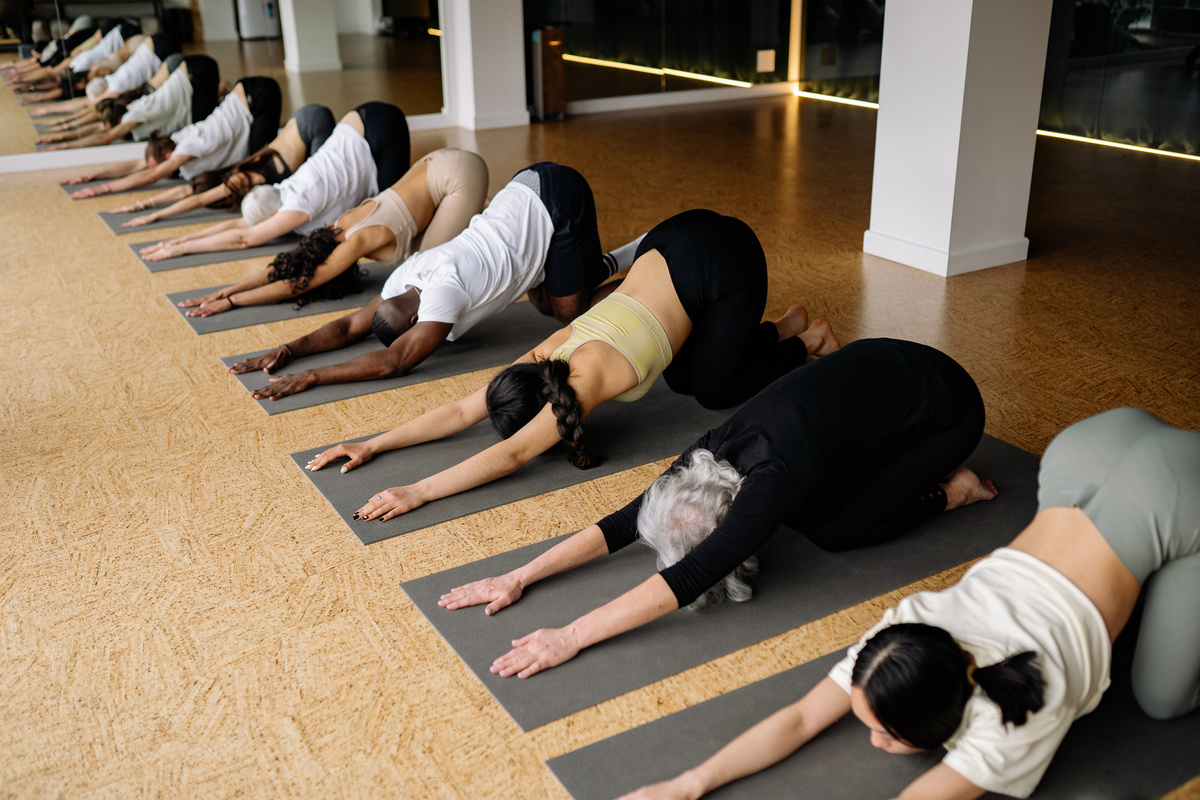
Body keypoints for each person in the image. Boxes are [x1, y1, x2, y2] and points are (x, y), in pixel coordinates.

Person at [616, 406, 1200, 800]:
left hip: (1174, 488)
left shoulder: (1012, 720)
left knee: (1162, 700)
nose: (874, 741)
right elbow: (800, 718)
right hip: (1083, 455)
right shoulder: (909, 629)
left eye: (890, 735)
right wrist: (686, 785)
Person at [438, 338, 997, 677]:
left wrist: (571, 635)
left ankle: (956, 491)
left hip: (951, 411)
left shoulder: (773, 486)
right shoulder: (708, 451)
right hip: (884, 358)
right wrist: (518, 576)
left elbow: (687, 579)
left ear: (734, 523)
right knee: (815, 499)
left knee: (835, 528)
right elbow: (622, 523)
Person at [304, 208, 840, 523]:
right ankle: (783, 327)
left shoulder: (587, 379)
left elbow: (513, 453)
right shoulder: (550, 351)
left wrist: (417, 491)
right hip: (674, 235)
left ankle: (809, 339)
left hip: (730, 257)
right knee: (681, 375)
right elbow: (462, 411)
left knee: (713, 391)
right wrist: (374, 444)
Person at [225, 162, 642, 400]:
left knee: (570, 312)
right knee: (544, 302)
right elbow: (350, 326)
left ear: (415, 321)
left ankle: (645, 261)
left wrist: (313, 376)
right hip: (523, 187)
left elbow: (395, 361)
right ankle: (597, 263)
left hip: (556, 196)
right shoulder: (405, 277)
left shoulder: (443, 296)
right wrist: (290, 350)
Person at [174, 147, 489, 319]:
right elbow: (288, 264)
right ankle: (477, 205)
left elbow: (298, 283)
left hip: (461, 175)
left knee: (425, 268)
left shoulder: (355, 241)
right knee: (414, 251)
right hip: (438, 159)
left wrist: (233, 302)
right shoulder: (336, 225)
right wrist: (226, 290)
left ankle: (487, 207)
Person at [137, 102, 409, 262]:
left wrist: (183, 249)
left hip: (380, 129)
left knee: (394, 211)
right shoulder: (279, 190)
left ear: (273, 216)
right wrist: (178, 240)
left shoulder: (297, 206)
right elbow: (238, 224)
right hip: (357, 120)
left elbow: (244, 238)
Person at [96, 104, 336, 225]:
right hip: (302, 121)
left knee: (324, 189)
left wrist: (154, 214)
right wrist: (145, 205)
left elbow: (198, 200)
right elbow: (185, 192)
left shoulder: (239, 179)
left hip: (311, 122)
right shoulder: (232, 172)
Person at [56, 76, 281, 198]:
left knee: (261, 161)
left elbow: (151, 176)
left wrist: (102, 189)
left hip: (258, 96)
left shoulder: (186, 147)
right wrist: (92, 176)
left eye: (160, 164)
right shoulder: (174, 139)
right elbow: (137, 165)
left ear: (167, 155)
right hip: (246, 93)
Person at [38, 53, 223, 151]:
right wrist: (65, 133)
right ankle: (223, 90)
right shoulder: (129, 109)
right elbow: (99, 127)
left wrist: (65, 145)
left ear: (119, 121)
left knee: (204, 121)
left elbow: (105, 137)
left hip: (197, 71)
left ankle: (223, 90)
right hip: (191, 69)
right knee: (201, 117)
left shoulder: (133, 115)